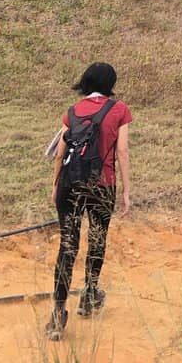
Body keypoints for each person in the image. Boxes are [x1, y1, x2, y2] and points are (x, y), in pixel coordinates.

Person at [46, 62, 132, 340]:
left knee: (67, 246)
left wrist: (55, 184)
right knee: (97, 239)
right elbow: (122, 151)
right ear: (110, 84)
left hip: (69, 186)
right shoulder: (119, 110)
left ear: (85, 83)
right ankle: (89, 294)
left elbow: (60, 154)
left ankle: (58, 313)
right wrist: (126, 191)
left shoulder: (72, 112)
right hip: (101, 185)